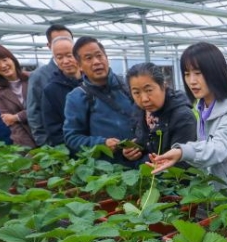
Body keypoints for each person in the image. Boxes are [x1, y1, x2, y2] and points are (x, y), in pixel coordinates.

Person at [149, 42, 227, 191]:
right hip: (220, 196)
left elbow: (218, 148)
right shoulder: (202, 108)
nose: (192, 81)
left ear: (215, 72)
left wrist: (182, 152)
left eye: (198, 73)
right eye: (187, 74)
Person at [63, 37, 141, 166]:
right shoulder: (77, 97)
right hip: (108, 170)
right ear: (80, 66)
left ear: (106, 57)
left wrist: (140, 141)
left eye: (99, 55)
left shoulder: (128, 86)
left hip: (142, 161)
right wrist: (102, 143)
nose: (96, 62)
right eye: (88, 58)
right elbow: (72, 138)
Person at [125, 62, 196, 161]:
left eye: (149, 90)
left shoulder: (183, 117)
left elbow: (183, 164)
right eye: (136, 92)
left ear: (163, 86)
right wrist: (133, 151)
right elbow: (144, 142)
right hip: (148, 173)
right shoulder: (139, 111)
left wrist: (143, 161)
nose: (144, 99)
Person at [26, 24, 73, 146]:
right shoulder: (39, 76)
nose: (62, 43)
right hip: (58, 142)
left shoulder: (83, 72)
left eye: (66, 40)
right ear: (49, 46)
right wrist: (45, 144)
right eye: (56, 41)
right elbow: (33, 113)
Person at [0, 44, 36, 148]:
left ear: (12, 59)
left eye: (4, 59)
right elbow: (10, 122)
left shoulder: (33, 78)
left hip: (47, 134)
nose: (3, 65)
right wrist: (30, 149)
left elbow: (41, 109)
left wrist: (16, 117)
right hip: (23, 141)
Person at [39, 36, 81, 146]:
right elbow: (53, 128)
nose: (65, 61)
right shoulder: (51, 90)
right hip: (76, 151)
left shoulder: (92, 81)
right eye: (59, 57)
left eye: (69, 55)